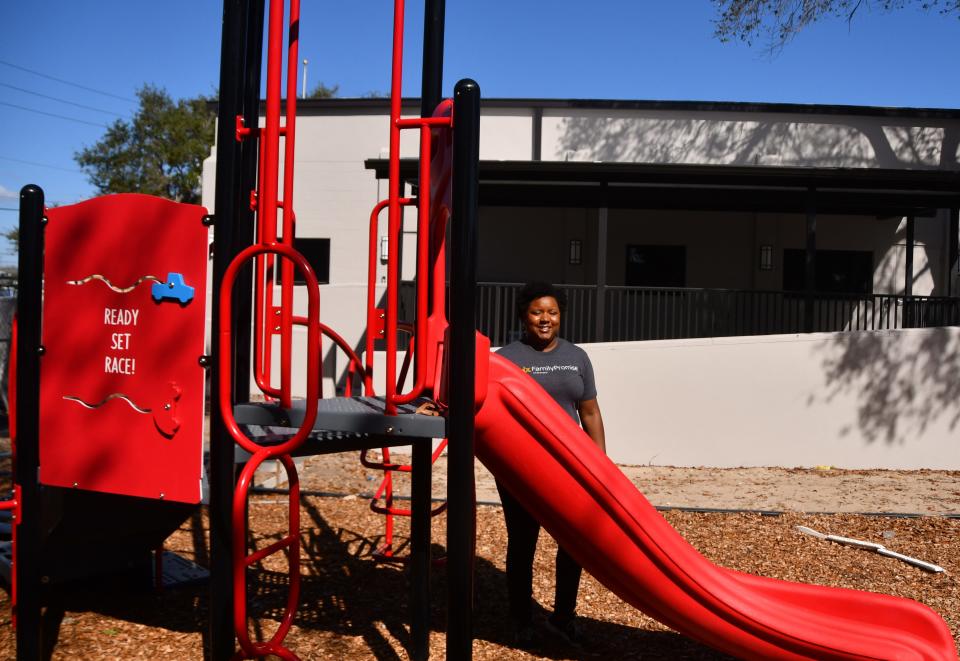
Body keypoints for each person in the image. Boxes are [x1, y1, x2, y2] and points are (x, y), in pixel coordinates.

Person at [495, 281, 606, 647]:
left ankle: (562, 617)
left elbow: (589, 412)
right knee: (523, 543)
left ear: (561, 316)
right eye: (537, 312)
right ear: (524, 316)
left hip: (568, 465)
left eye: (552, 312)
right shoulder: (506, 359)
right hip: (521, 468)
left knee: (572, 542)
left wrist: (599, 464)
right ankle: (521, 620)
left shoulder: (577, 357)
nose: (545, 319)